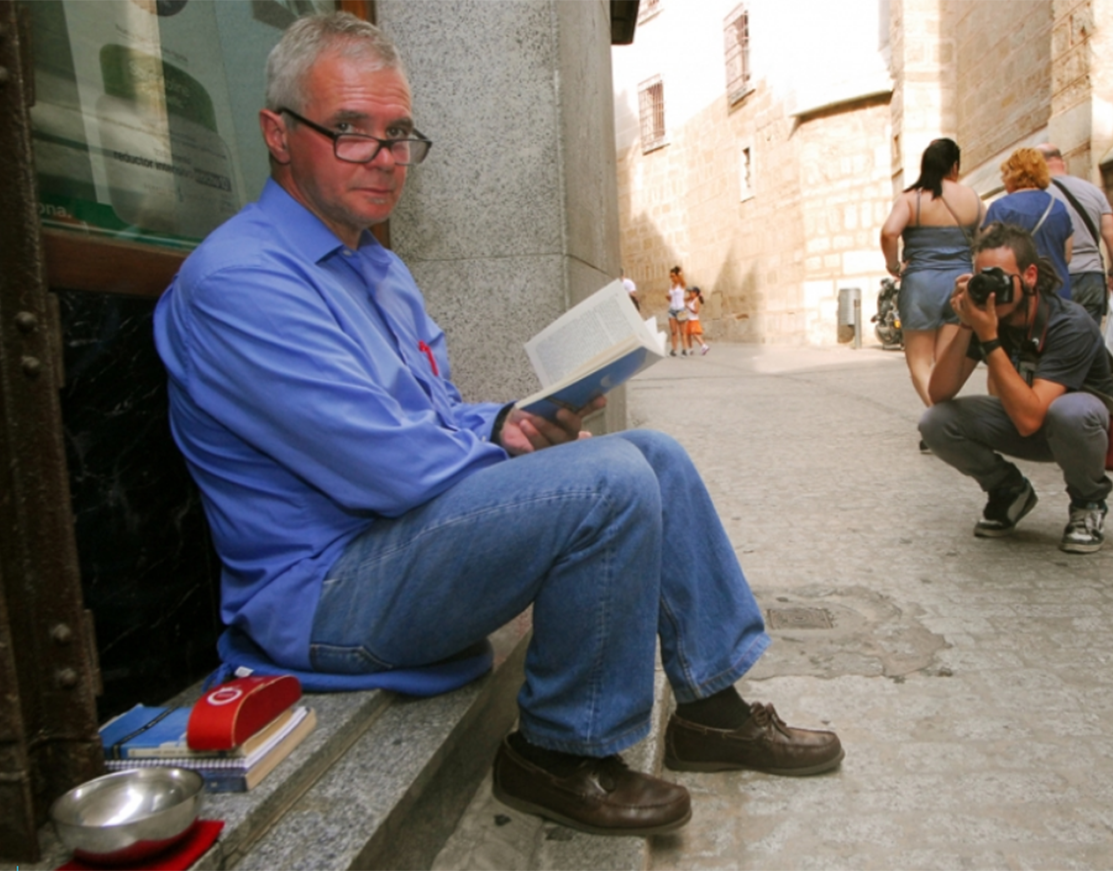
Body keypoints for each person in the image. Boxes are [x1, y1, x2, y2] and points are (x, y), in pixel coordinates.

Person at [153, 12, 841, 838]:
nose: (384, 156)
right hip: (327, 596)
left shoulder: (377, 266)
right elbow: (385, 464)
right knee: (609, 479)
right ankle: (556, 751)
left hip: (401, 539)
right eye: (349, 131)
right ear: (277, 133)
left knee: (651, 454)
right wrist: (545, 479)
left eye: (398, 132)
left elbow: (431, 418)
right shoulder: (239, 281)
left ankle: (711, 707)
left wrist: (507, 423)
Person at [919, 223, 1113, 554]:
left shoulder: (1069, 324)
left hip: (1079, 432)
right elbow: (938, 394)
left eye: (999, 278)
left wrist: (989, 338)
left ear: (1029, 276)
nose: (990, 291)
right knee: (935, 421)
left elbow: (1030, 418)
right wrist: (968, 325)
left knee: (1068, 410)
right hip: (1026, 416)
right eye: (982, 279)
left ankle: (1088, 503)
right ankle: (1009, 491)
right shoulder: (986, 320)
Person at [880, 138, 984, 407]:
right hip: (960, 282)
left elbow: (890, 232)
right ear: (954, 165)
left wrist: (893, 266)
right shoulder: (971, 197)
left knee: (919, 361)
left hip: (920, 283)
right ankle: (942, 420)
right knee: (945, 361)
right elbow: (987, 237)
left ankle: (936, 417)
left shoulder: (911, 198)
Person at [1036, 143, 1113, 322]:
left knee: (1058, 338)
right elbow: (1112, 234)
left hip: (1056, 276)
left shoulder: (1038, 193)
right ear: (1062, 163)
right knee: (1088, 340)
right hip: (1092, 276)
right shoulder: (1094, 191)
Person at [982, 147, 1074, 301]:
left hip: (1016, 294)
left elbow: (987, 254)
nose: (1003, 180)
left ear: (1013, 175)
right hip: (1056, 292)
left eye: (1005, 174)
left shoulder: (1001, 208)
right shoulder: (1058, 206)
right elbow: (1068, 255)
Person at [667, 266, 689, 356]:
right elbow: (672, 299)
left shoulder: (681, 284)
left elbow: (682, 278)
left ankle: (684, 349)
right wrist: (668, 298)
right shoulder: (671, 286)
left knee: (682, 331)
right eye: (670, 276)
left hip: (681, 309)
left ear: (677, 276)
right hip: (672, 309)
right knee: (673, 331)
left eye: (673, 276)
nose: (672, 278)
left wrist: (680, 271)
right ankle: (674, 349)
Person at [685, 286, 710, 355]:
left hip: (694, 320)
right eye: (689, 292)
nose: (689, 293)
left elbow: (696, 311)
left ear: (695, 293)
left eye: (691, 292)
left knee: (695, 334)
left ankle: (704, 346)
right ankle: (690, 349)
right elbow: (683, 300)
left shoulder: (696, 300)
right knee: (688, 335)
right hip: (689, 320)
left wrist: (688, 307)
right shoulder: (691, 299)